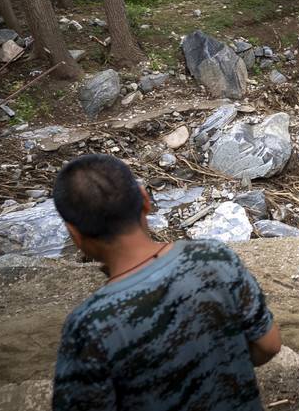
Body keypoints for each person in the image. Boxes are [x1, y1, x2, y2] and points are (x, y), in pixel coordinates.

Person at [52, 154, 281, 411]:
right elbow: (269, 344)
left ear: (74, 234)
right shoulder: (215, 258)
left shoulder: (87, 327)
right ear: (145, 200)